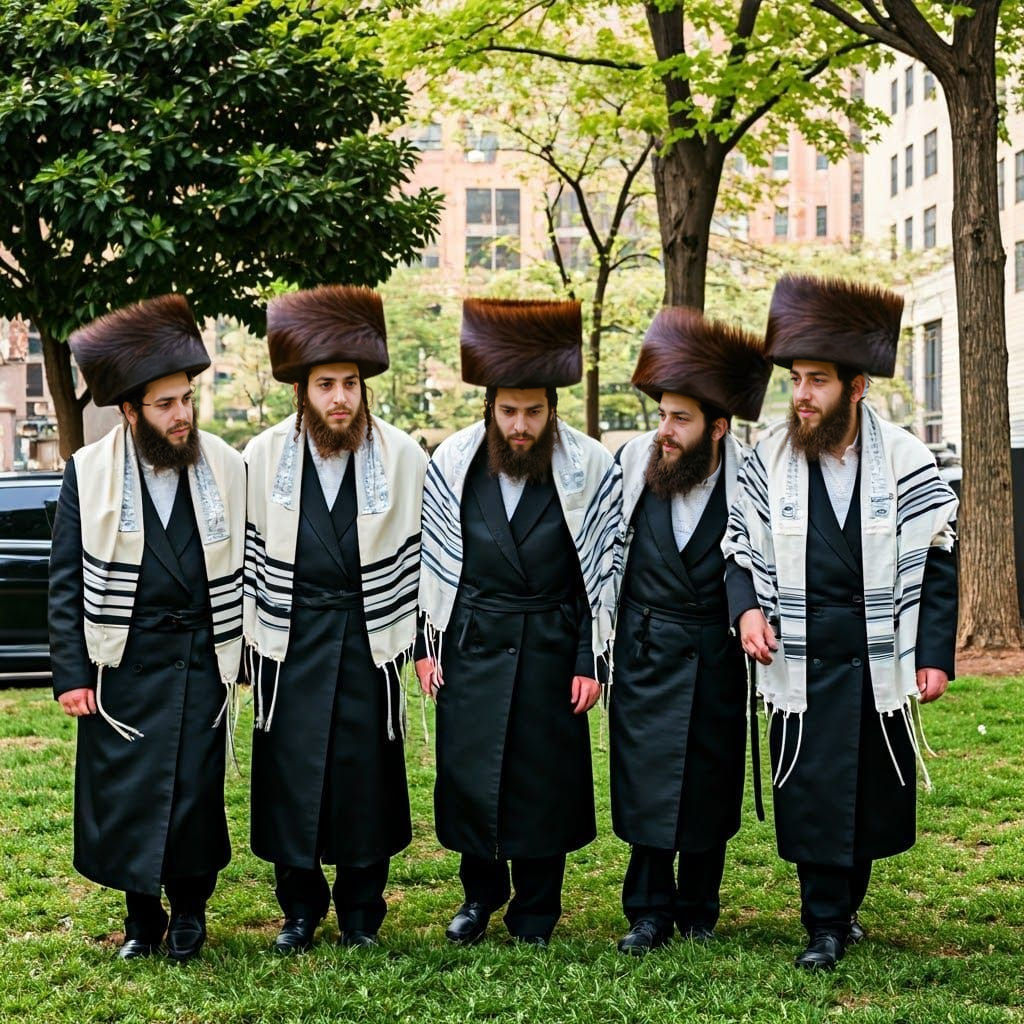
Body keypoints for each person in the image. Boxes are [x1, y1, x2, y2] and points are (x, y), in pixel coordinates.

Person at [723, 275, 959, 970]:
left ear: (856, 388)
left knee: (866, 798)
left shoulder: (910, 459)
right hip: (799, 655)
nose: (801, 395)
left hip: (876, 656)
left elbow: (938, 560)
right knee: (813, 793)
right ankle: (821, 924)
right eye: (796, 379)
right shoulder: (767, 457)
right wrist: (746, 610)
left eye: (817, 380)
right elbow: (738, 548)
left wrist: (934, 653)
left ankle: (848, 907)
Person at [415, 298, 621, 947]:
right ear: (490, 408)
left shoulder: (589, 469)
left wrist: (591, 658)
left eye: (534, 412)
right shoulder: (452, 463)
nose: (522, 425)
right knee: (473, 777)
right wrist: (427, 646)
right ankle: (480, 896)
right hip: (472, 642)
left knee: (542, 784)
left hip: (553, 645)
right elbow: (434, 562)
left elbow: (603, 571)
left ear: (552, 409)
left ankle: (536, 909)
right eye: (509, 411)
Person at [49, 295, 245, 961]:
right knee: (131, 797)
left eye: (186, 398)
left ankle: (190, 912)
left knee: (193, 792)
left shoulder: (225, 464)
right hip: (122, 665)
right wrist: (72, 673)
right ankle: (142, 920)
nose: (182, 414)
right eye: (165, 403)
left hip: (199, 656)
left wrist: (244, 647)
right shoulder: (88, 472)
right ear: (130, 410)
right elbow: (66, 578)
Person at [243, 285, 426, 952]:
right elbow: (242, 557)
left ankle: (360, 914)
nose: (340, 397)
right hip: (285, 645)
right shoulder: (261, 457)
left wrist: (420, 641)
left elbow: (426, 558)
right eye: (326, 384)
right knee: (291, 780)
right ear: (303, 389)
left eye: (350, 383)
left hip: (366, 639)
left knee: (363, 783)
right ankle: (298, 910)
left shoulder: (403, 456)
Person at [611, 307, 772, 955]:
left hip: (714, 656)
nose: (665, 431)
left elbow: (761, 560)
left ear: (719, 427)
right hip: (645, 651)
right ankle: (648, 911)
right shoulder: (630, 466)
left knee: (708, 780)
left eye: (681, 419)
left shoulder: (751, 483)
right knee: (646, 780)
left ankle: (700, 905)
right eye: (662, 416)